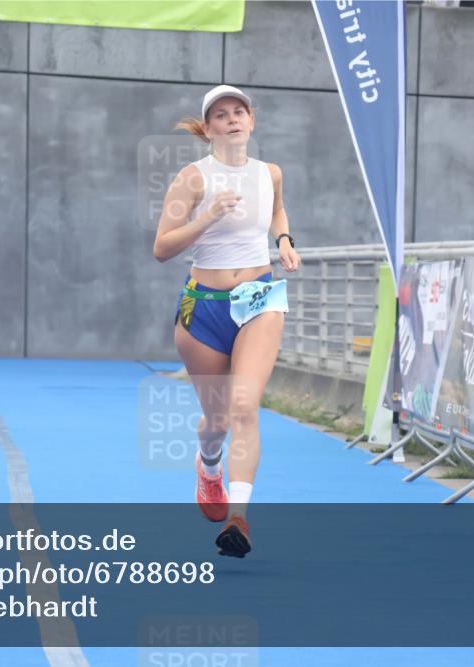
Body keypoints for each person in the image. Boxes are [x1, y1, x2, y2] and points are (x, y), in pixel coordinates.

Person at [153, 85, 301, 558]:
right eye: (221, 114)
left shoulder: (270, 173)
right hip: (204, 306)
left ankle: (238, 517)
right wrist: (208, 217)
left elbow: (276, 207)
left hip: (259, 298)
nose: (232, 119)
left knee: (244, 405)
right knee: (217, 420)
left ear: (251, 120)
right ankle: (209, 463)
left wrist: (283, 239)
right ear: (209, 128)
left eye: (240, 111)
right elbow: (162, 247)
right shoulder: (193, 179)